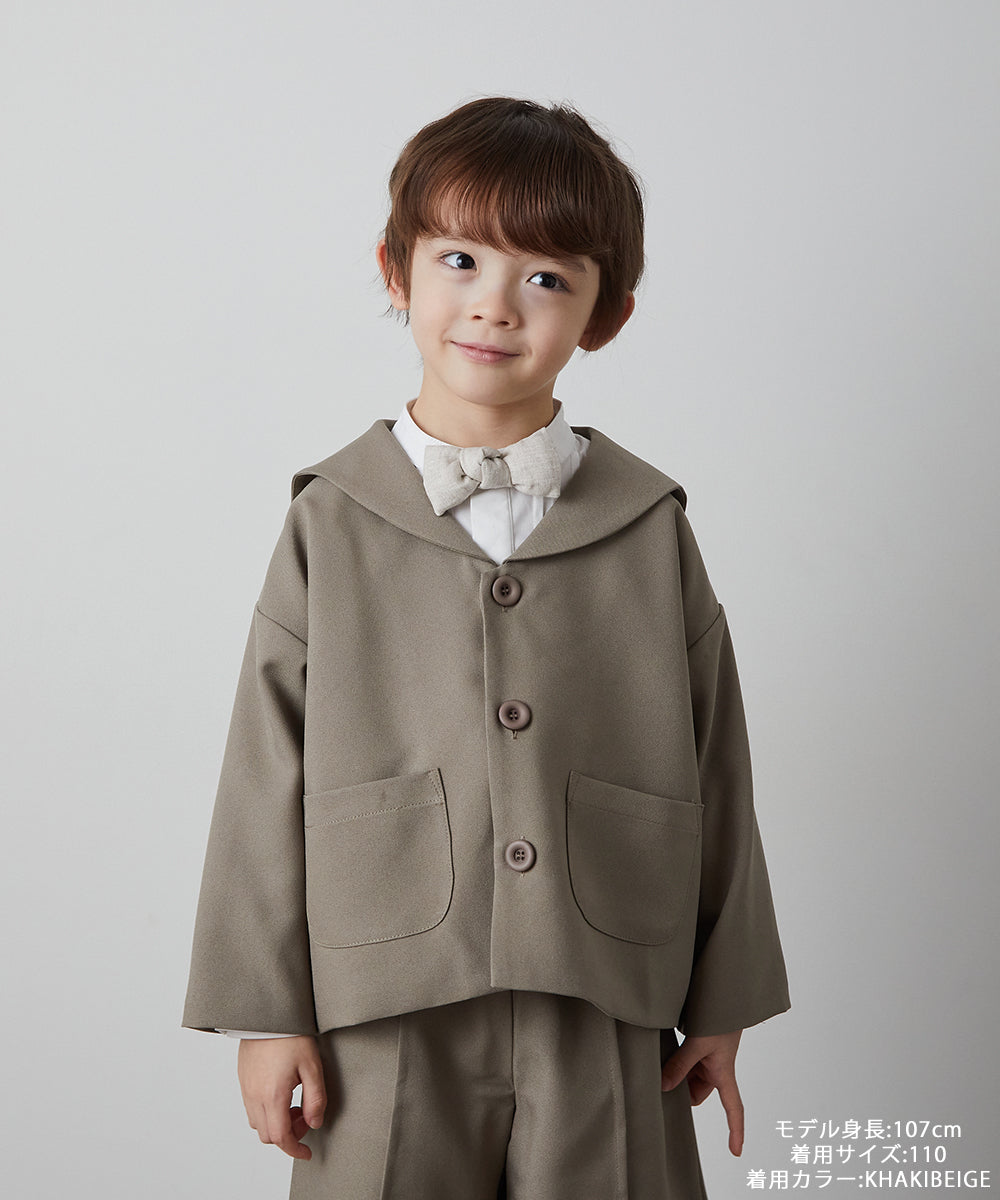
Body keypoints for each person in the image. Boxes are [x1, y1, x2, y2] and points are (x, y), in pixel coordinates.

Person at [183, 96, 790, 1199]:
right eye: (459, 259)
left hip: (604, 981)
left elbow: (717, 757)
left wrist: (724, 997)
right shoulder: (331, 519)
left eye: (547, 278)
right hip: (380, 992)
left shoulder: (648, 524)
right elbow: (264, 766)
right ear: (396, 269)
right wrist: (265, 1013)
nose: (495, 306)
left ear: (606, 315)